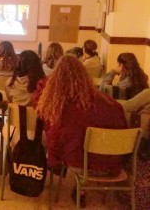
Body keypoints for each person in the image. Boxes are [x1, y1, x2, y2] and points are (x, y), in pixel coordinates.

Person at [36, 55, 127, 206]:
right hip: (112, 164)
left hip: (80, 166)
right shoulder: (109, 103)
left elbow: (56, 142)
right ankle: (82, 189)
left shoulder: (62, 108)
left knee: (55, 140)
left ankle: (76, 188)